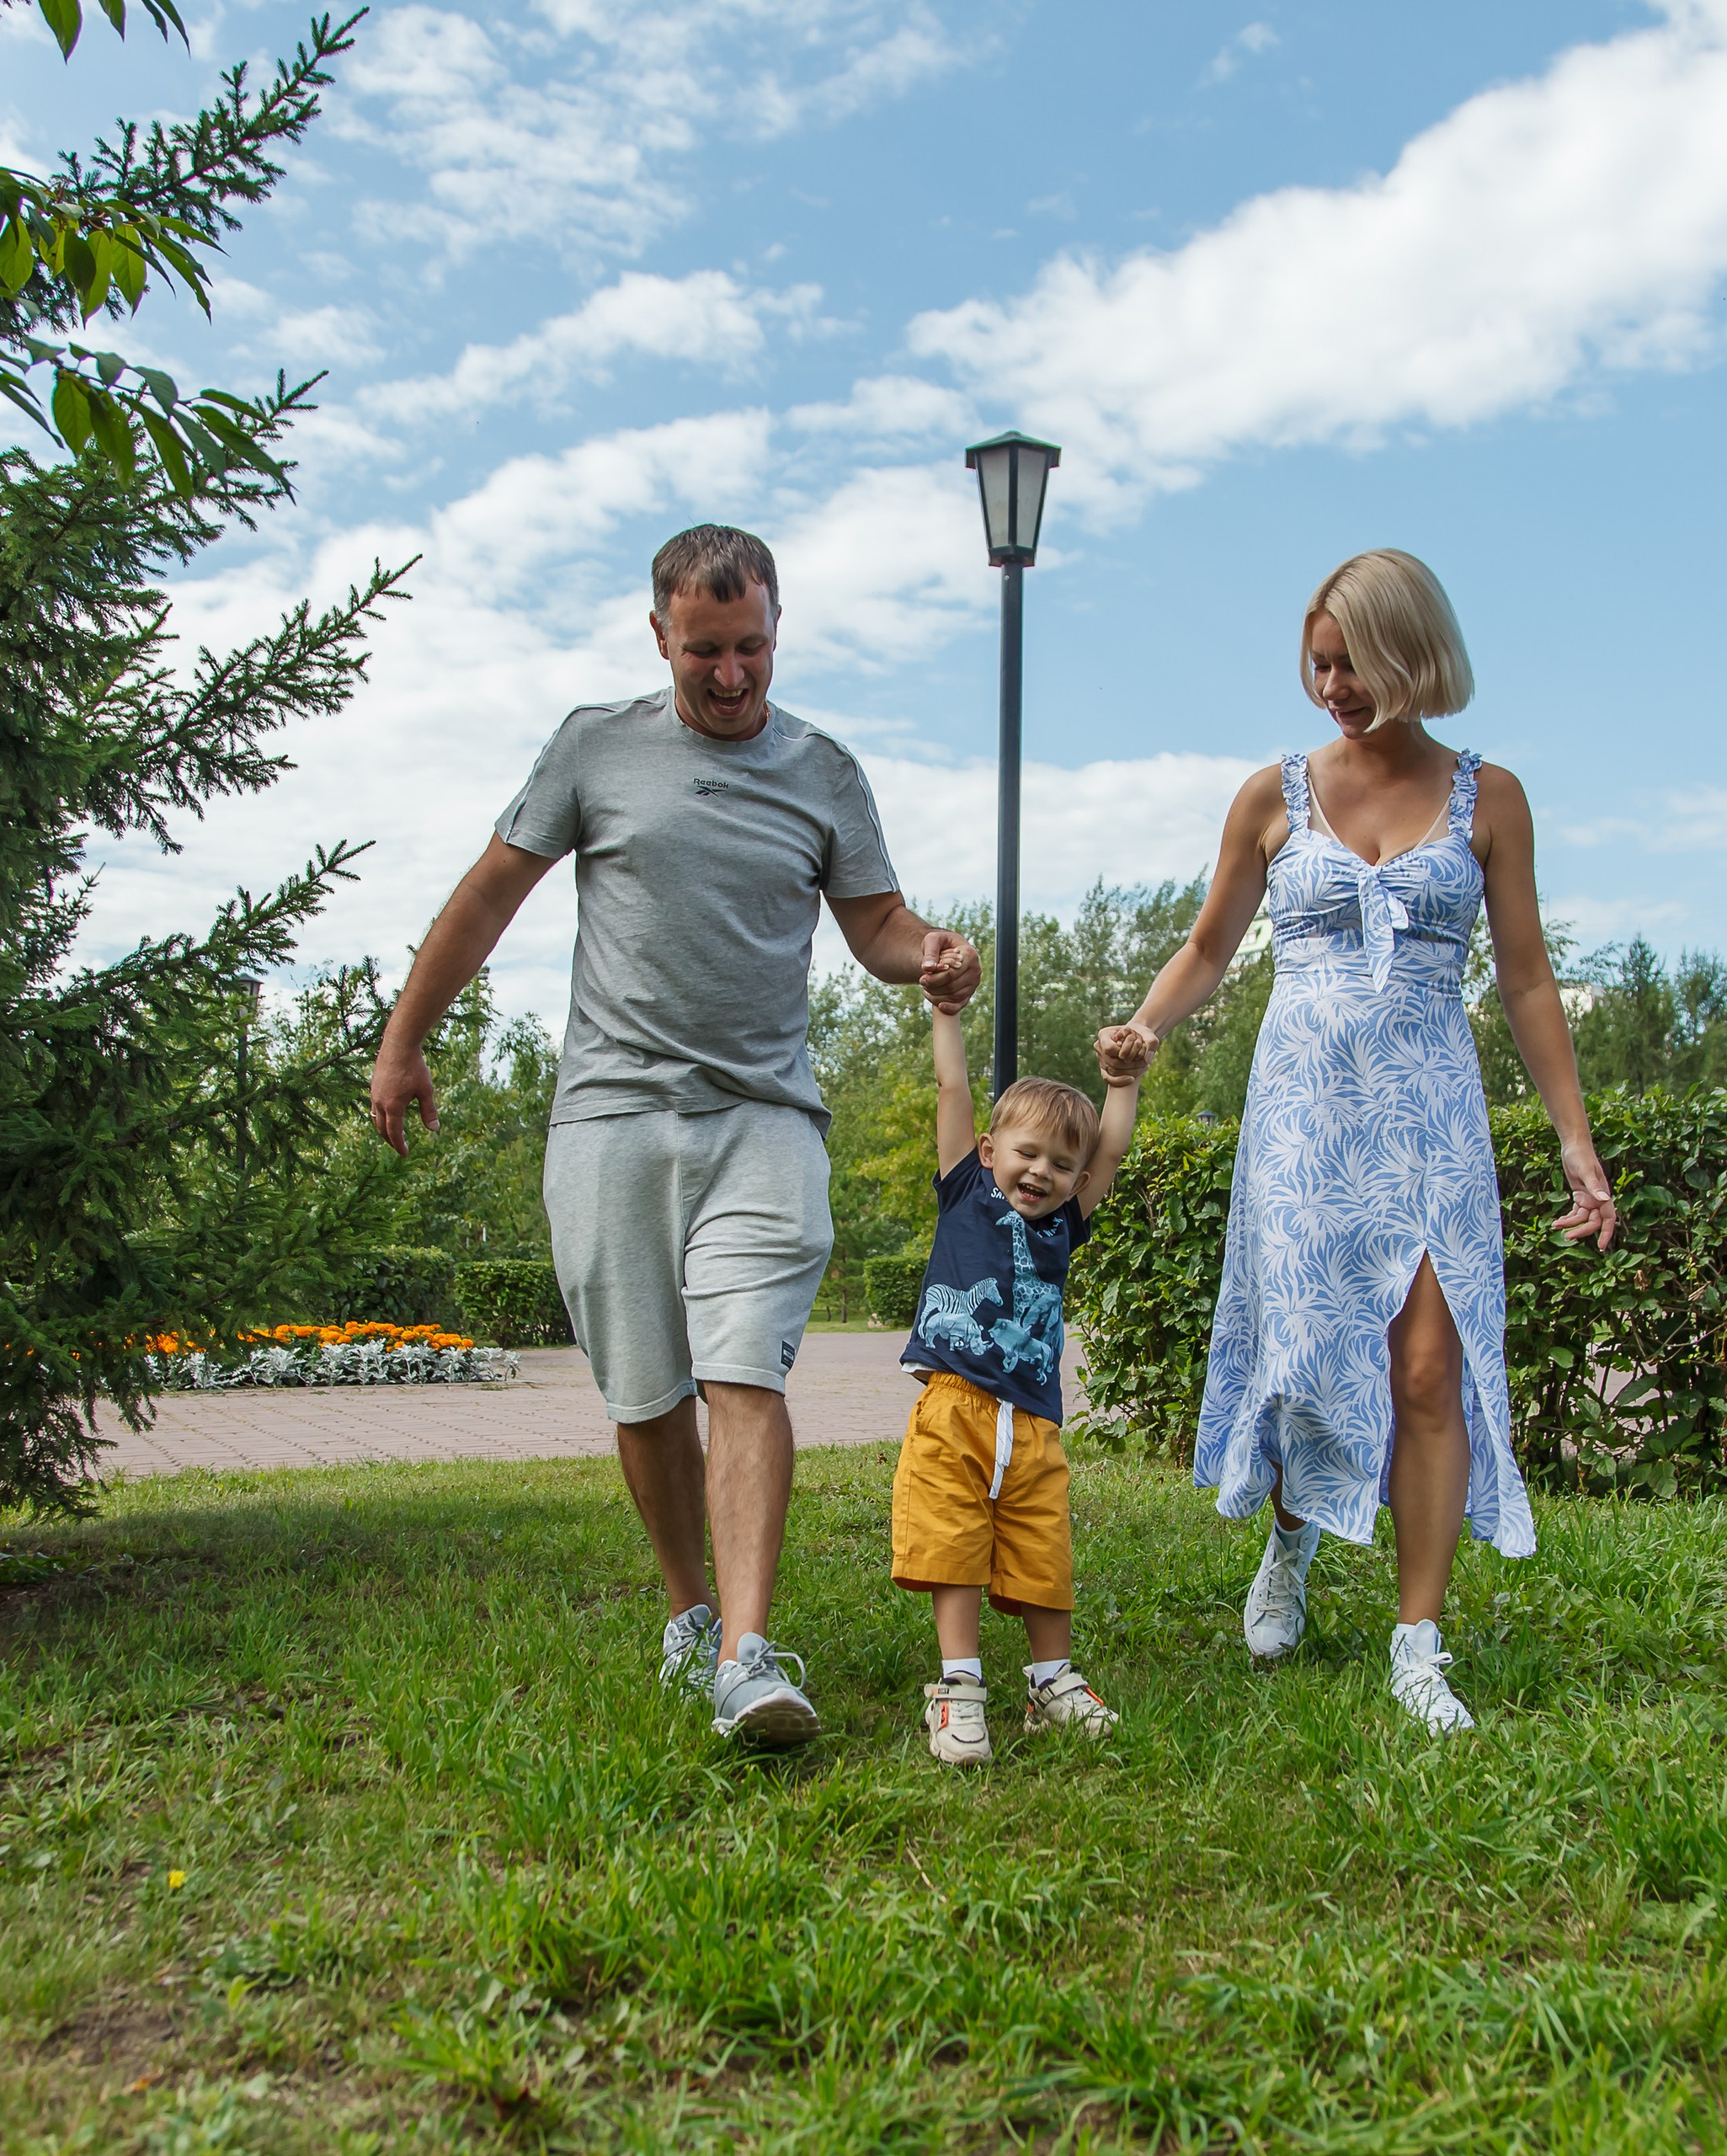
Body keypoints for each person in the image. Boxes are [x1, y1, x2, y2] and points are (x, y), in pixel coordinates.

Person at [369, 525, 979, 1749]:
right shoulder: (596, 747)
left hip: (765, 1115)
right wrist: (404, 1039)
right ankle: (691, 1611)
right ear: (661, 637)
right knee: (646, 1395)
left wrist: (932, 953)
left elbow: (874, 924)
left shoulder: (825, 771)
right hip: (611, 1113)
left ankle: (751, 1657)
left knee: (743, 1366)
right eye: (707, 650)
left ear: (776, 626)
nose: (735, 674)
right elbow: (490, 894)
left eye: (753, 645)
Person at [1095, 547, 1616, 1736]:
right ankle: (1288, 1545)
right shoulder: (1271, 793)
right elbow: (1210, 948)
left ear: (1414, 655)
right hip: (1302, 1119)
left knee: (1430, 1371)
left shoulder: (1493, 798)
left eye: (1352, 663)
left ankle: (1417, 1644)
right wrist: (1144, 1026)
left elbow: (1529, 983)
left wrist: (1576, 1143)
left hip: (1429, 1120)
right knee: (1302, 1359)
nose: (1329, 684)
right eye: (1317, 662)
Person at [892, 992, 1139, 1764]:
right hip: (954, 1409)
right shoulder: (967, 1188)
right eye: (1028, 1153)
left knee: (1043, 1549)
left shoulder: (1066, 1222)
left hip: (1033, 1424)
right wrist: (947, 1015)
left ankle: (1051, 1680)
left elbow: (1112, 1154)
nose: (1044, 1172)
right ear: (990, 1148)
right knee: (952, 1541)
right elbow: (953, 1092)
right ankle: (958, 1689)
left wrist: (1122, 1085)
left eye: (1062, 1165)